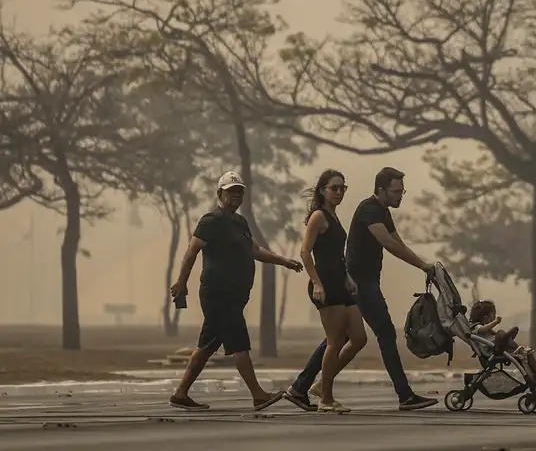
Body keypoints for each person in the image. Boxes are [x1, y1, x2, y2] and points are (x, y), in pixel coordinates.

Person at [285, 167, 438, 412]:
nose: (400, 196)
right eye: (396, 191)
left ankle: (304, 386)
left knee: (345, 338)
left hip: (352, 280)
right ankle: (404, 395)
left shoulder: (381, 212)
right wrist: (420, 264)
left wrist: (424, 264)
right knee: (382, 333)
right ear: (381, 190)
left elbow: (396, 239)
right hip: (359, 281)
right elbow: (387, 243)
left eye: (402, 191)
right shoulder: (369, 209)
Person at [168, 171, 305, 411]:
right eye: (231, 191)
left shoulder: (240, 223)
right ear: (220, 193)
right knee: (240, 344)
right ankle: (258, 395)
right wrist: (181, 282)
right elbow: (192, 252)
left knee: (207, 346)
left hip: (234, 294)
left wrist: (284, 261)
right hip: (218, 293)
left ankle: (180, 393)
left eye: (239, 191)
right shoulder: (210, 221)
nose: (236, 195)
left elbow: (254, 250)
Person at [300, 169, 367, 413]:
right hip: (325, 283)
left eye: (342, 188)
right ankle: (326, 399)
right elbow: (305, 252)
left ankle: (321, 384)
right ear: (322, 190)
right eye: (334, 188)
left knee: (359, 338)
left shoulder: (334, 216)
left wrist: (348, 277)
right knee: (335, 341)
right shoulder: (318, 216)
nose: (339, 192)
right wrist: (317, 283)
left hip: (341, 282)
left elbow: (337, 255)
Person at [467, 299, 536, 381]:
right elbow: (483, 330)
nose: (495, 317)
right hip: (490, 350)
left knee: (528, 352)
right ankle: (516, 349)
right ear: (486, 318)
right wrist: (495, 323)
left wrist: (505, 337)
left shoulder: (486, 329)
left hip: (496, 347)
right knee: (500, 333)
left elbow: (493, 334)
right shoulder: (476, 327)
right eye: (493, 315)